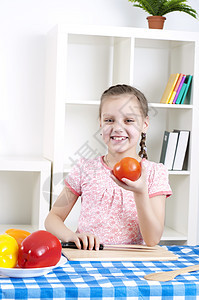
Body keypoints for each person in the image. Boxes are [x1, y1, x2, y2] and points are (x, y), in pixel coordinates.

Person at [45, 84, 172, 250]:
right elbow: (53, 217)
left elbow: (152, 239)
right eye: (109, 120)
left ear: (144, 124)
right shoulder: (85, 168)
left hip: (134, 263)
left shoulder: (155, 173)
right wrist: (71, 236)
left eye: (129, 120)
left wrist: (140, 192)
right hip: (88, 257)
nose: (118, 128)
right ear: (100, 123)